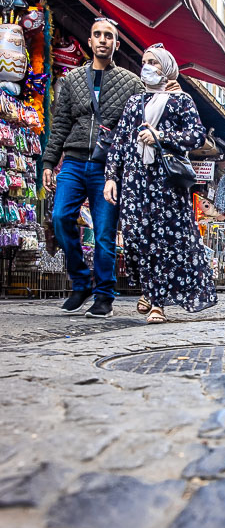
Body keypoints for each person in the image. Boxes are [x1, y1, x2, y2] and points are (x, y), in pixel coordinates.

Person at [103, 43, 217, 322]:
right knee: (134, 238)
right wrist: (110, 177)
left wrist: (160, 136)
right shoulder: (134, 102)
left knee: (162, 240)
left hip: (165, 182)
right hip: (134, 179)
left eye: (153, 62)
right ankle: (149, 287)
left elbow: (195, 136)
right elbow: (119, 141)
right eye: (144, 61)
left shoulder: (181, 101)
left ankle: (157, 303)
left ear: (166, 68)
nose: (147, 67)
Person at [43, 17, 146, 317]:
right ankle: (80, 281)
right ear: (89, 41)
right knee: (61, 217)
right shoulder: (73, 80)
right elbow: (60, 123)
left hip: (107, 168)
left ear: (116, 43)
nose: (102, 40)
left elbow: (141, 121)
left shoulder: (131, 83)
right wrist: (49, 162)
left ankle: (104, 295)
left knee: (103, 233)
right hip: (74, 161)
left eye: (108, 36)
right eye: (97, 35)